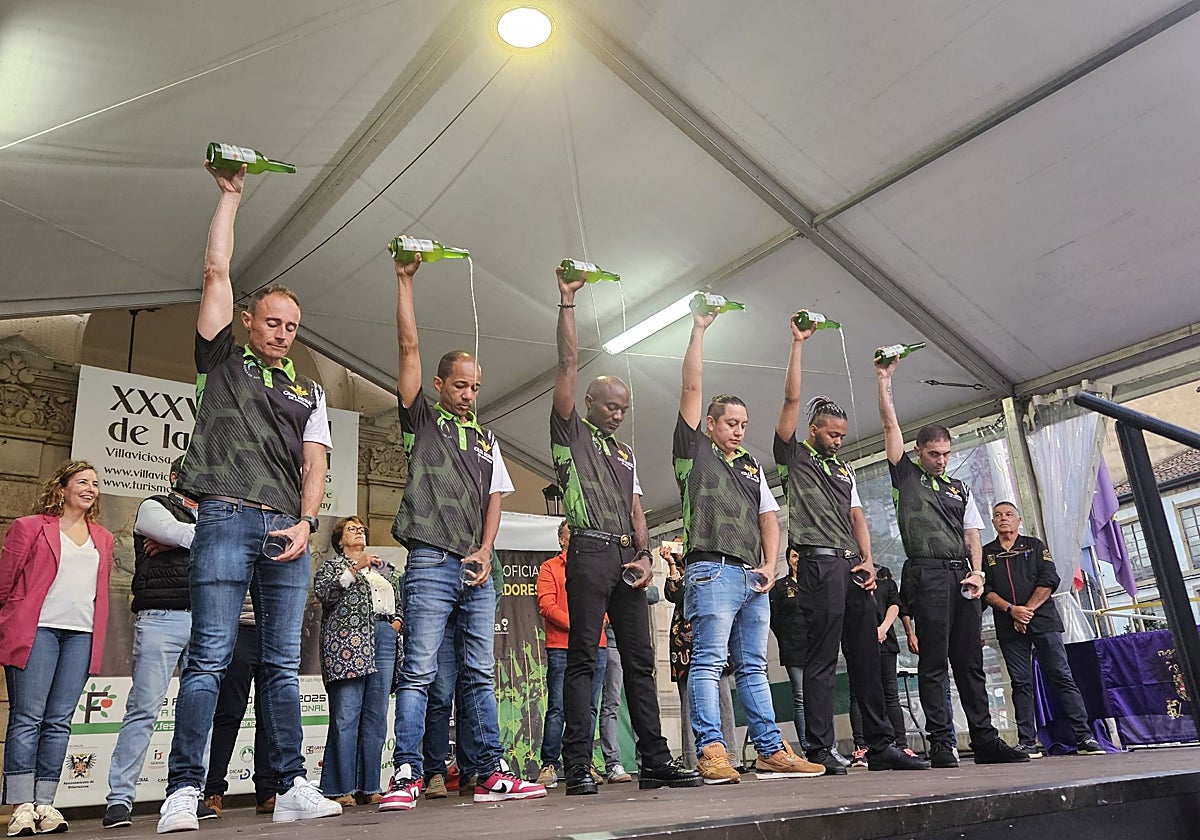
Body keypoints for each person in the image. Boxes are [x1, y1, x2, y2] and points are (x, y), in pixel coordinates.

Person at [158, 161, 339, 833]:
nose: (283, 332)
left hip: (285, 532)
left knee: (283, 666)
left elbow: (315, 463)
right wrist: (231, 197)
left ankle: (290, 783)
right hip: (227, 517)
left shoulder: (309, 391)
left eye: (292, 325)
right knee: (208, 657)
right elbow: (214, 274)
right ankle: (184, 790)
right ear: (247, 320)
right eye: (272, 321)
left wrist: (308, 524)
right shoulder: (222, 362)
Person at [381, 253, 544, 812]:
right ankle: (405, 771)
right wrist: (405, 282)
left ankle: (491, 770)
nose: (468, 393)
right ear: (439, 385)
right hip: (429, 561)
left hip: (477, 566)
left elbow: (496, 497)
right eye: (459, 385)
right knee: (420, 670)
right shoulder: (422, 422)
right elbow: (407, 350)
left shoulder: (488, 439)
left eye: (474, 386)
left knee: (479, 671)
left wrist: (485, 549)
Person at [552, 267, 701, 795]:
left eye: (623, 408)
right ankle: (575, 766)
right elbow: (568, 363)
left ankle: (655, 761)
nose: (617, 414)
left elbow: (637, 507)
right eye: (610, 405)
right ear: (590, 403)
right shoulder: (570, 432)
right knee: (584, 660)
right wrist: (568, 302)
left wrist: (644, 556)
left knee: (640, 661)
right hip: (588, 551)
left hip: (626, 559)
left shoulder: (625, 451)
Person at [675, 303, 825, 784]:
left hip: (750, 576)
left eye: (743, 423)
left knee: (754, 666)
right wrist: (698, 330)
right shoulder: (693, 452)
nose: (739, 429)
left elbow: (769, 515)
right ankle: (712, 751)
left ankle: (769, 750)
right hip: (710, 570)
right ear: (710, 425)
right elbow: (692, 387)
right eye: (730, 422)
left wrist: (771, 564)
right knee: (709, 662)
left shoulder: (752, 466)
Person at [775, 314, 928, 774]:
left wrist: (868, 559)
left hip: (851, 567)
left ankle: (881, 744)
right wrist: (799, 344)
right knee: (822, 658)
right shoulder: (794, 456)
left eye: (842, 435)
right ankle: (821, 748)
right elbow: (791, 398)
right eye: (831, 434)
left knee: (867, 654)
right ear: (813, 431)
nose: (839, 441)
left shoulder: (844, 470)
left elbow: (857, 513)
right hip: (817, 566)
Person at [875, 352, 1028, 768]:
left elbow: (973, 532)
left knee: (971, 660)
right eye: (934, 454)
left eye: (945, 453)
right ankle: (942, 742)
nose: (941, 460)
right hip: (924, 573)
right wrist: (885, 380)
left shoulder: (959, 488)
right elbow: (890, 426)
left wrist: (978, 572)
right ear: (919, 451)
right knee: (934, 661)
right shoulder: (905, 476)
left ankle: (984, 739)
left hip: (962, 576)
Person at [0, 461, 112, 836]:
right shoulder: (30, 527)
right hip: (37, 631)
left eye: (95, 484)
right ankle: (21, 807)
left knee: (59, 721)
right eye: (82, 482)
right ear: (61, 488)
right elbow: (5, 582)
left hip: (80, 635)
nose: (90, 488)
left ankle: (46, 803)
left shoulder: (103, 537)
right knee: (27, 718)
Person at [104, 459, 204, 829]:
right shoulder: (154, 504)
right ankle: (120, 798)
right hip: (162, 616)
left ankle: (189, 792)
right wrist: (190, 538)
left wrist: (181, 538)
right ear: (177, 477)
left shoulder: (213, 515)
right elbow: (183, 535)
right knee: (143, 709)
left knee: (198, 712)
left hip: (206, 621)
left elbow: (227, 545)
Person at [982, 502, 1106, 758]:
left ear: (1018, 520)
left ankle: (1084, 737)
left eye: (1008, 515)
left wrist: (1025, 611)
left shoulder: (1035, 546)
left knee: (1062, 676)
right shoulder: (986, 553)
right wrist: (1011, 611)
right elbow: (985, 591)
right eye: (998, 516)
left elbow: (1049, 579)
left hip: (1043, 621)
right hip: (1009, 624)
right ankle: (1027, 742)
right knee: (1021, 682)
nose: (1003, 519)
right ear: (992, 523)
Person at [314, 516, 403, 806]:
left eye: (361, 529)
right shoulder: (332, 566)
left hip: (384, 637)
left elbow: (398, 598)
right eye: (352, 529)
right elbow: (326, 593)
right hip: (347, 644)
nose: (359, 532)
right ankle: (340, 788)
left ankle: (369, 785)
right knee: (346, 715)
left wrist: (396, 621)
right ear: (340, 540)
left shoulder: (383, 569)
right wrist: (356, 567)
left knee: (376, 717)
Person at [536, 521, 608, 788]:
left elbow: (607, 601)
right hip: (562, 646)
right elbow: (546, 605)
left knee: (590, 707)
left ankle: (583, 763)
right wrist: (580, 624)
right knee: (558, 707)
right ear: (561, 540)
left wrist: (601, 619)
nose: (577, 540)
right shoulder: (550, 568)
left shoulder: (595, 568)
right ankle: (549, 764)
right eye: (571, 536)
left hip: (595, 645)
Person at [663, 542, 740, 771]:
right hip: (685, 646)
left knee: (724, 700)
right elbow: (674, 594)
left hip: (715, 641)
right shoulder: (682, 576)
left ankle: (731, 756)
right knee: (690, 702)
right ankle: (692, 758)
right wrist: (672, 565)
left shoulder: (715, 571)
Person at [201, 595, 277, 816]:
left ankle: (267, 792)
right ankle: (213, 791)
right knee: (229, 714)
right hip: (239, 629)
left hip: (272, 632)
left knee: (268, 717)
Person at [847, 565, 911, 766]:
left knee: (890, 692)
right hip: (857, 642)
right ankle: (862, 746)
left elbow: (895, 604)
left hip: (885, 641)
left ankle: (900, 743)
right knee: (858, 695)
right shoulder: (848, 577)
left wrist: (882, 628)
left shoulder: (885, 577)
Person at [768, 547, 809, 757]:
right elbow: (774, 619)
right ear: (787, 559)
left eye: (800, 556)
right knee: (801, 697)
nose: (797, 560)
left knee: (820, 697)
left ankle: (827, 744)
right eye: (794, 556)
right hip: (793, 647)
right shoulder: (780, 587)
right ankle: (806, 746)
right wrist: (784, 639)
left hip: (817, 648)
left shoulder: (814, 583)